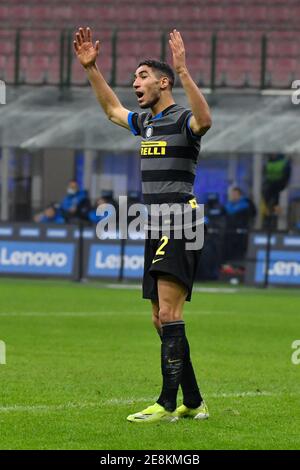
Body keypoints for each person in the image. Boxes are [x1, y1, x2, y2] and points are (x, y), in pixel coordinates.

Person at [74, 27, 212, 423]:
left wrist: (185, 71)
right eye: (134, 78)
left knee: (169, 315)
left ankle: (167, 404)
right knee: (159, 318)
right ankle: (194, 400)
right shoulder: (147, 124)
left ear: (163, 82)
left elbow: (205, 119)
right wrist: (91, 69)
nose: (135, 83)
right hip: (155, 223)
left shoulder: (182, 119)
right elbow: (112, 111)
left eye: (142, 76)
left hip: (181, 220)